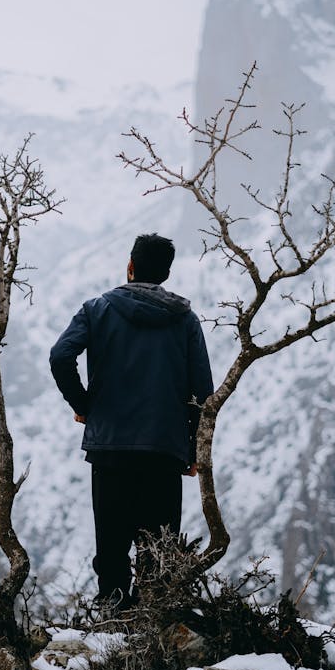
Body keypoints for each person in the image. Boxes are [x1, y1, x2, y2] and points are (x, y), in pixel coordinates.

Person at [49, 233, 213, 608]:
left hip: (111, 449)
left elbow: (61, 357)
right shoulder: (184, 320)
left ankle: (111, 625)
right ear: (166, 274)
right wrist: (193, 449)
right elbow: (203, 392)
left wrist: (84, 405)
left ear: (130, 266)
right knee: (158, 552)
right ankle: (155, 639)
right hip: (164, 451)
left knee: (111, 549)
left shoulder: (96, 309)